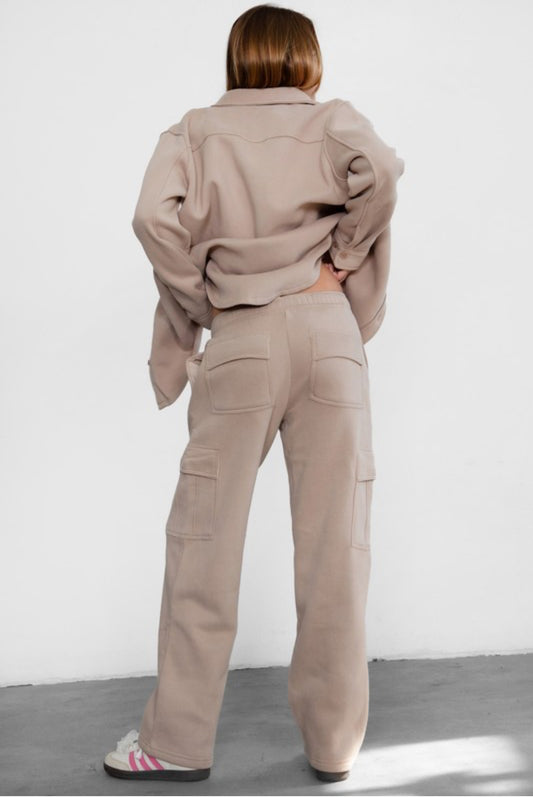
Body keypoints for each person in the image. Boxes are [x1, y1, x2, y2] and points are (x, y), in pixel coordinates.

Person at [103, 2, 404, 784]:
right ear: (307, 58)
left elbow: (149, 217)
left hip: (241, 337)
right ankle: (334, 746)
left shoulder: (196, 132)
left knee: (203, 540)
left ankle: (175, 743)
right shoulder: (333, 121)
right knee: (336, 545)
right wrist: (342, 257)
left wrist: (202, 296)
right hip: (329, 334)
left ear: (237, 56)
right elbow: (382, 171)